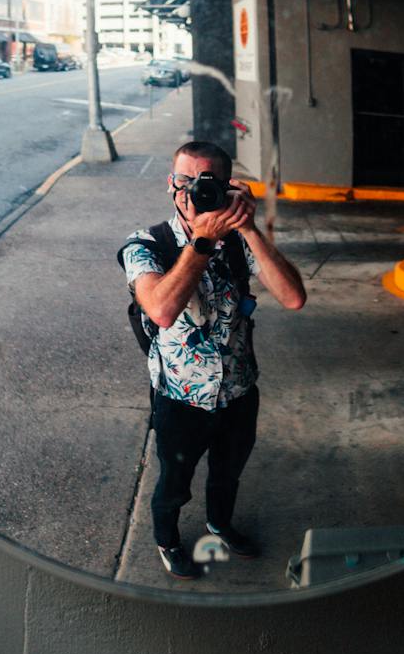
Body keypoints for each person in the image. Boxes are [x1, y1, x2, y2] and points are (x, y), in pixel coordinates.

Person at [119, 140, 307, 579]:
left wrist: (251, 229)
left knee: (228, 474)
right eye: (185, 181)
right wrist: (202, 242)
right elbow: (162, 310)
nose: (193, 193)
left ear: (228, 188)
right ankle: (168, 540)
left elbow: (294, 297)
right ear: (171, 185)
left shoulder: (240, 241)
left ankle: (219, 524)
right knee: (173, 484)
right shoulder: (148, 243)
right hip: (180, 398)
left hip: (239, 391)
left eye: (208, 183)